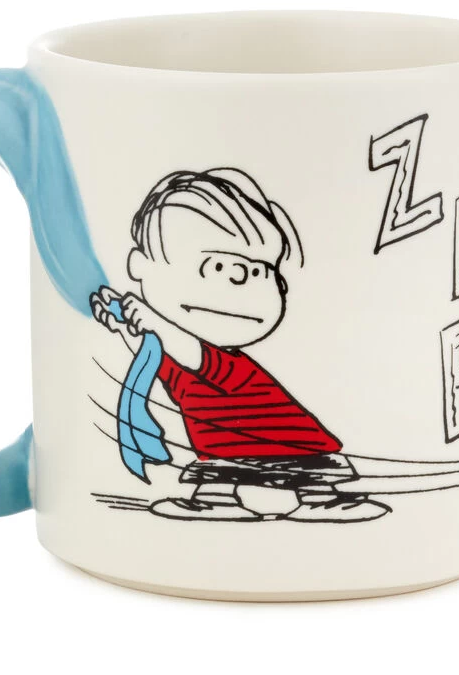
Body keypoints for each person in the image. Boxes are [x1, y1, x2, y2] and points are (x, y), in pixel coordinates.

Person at [91, 168, 389, 522]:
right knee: (218, 476)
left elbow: (190, 354)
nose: (239, 280)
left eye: (261, 271)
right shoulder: (178, 349)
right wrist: (124, 327)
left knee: (309, 476)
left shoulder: (226, 362)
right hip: (221, 447)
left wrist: (153, 321)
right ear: (140, 266)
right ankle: (216, 501)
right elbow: (155, 356)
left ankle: (324, 501)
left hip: (286, 440)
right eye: (217, 265)